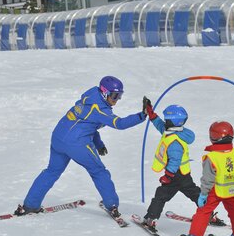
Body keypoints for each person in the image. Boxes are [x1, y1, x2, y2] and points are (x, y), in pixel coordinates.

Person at [14, 76, 147, 219]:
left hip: (58, 137)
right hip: (77, 144)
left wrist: (99, 144)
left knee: (51, 171)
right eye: (114, 96)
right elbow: (119, 124)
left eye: (120, 96)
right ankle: (112, 205)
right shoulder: (100, 108)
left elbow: (89, 125)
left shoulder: (90, 97)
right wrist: (142, 115)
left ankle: (30, 204)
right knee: (99, 172)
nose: (117, 100)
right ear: (104, 92)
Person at [141, 99, 224, 231]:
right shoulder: (173, 131)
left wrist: (168, 176)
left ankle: (151, 219)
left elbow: (175, 160)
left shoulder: (174, 141)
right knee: (194, 192)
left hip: (175, 174)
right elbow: (159, 125)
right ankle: (209, 214)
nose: (164, 121)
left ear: (171, 121)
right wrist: (151, 114)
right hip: (184, 174)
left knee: (161, 195)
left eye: (166, 118)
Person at [182, 121, 234, 236]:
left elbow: (208, 178)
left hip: (215, 191)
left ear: (213, 137)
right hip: (231, 190)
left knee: (204, 211)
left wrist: (203, 194)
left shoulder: (211, 157)